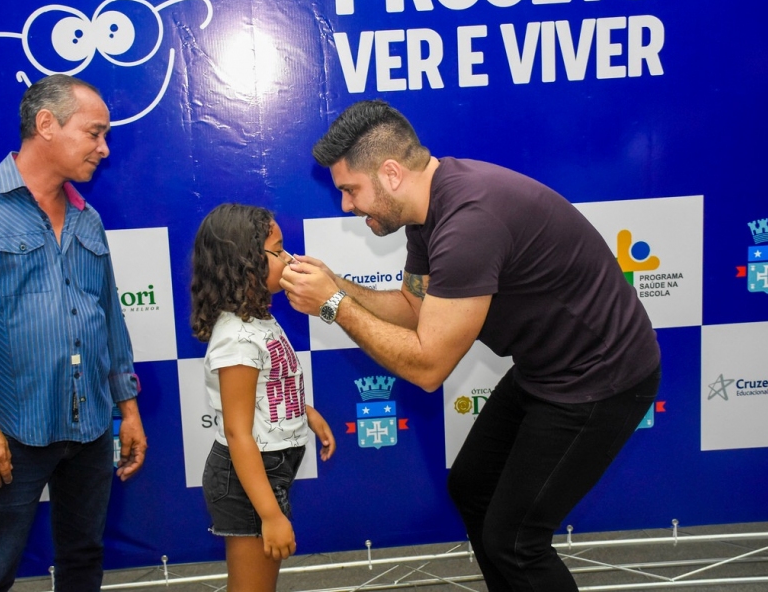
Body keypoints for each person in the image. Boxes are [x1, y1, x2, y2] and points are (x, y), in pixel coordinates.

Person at [280, 100, 661, 592]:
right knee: (472, 488)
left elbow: (427, 366)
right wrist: (339, 284)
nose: (347, 206)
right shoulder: (427, 209)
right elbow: (414, 307)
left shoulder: (468, 221)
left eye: (351, 190)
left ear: (391, 173)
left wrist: (333, 305)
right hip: (548, 368)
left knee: (516, 540)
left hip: (602, 379)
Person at [0, 74, 147, 591]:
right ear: (46, 124)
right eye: (94, 133)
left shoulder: (87, 220)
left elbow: (108, 317)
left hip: (91, 424)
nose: (104, 149)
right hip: (11, 430)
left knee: (83, 558)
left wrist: (128, 409)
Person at [191, 203, 336, 592]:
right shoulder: (236, 339)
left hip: (265, 472)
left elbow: (266, 389)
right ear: (246, 262)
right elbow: (239, 434)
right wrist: (270, 515)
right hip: (248, 480)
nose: (288, 258)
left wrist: (303, 412)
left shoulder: (257, 319)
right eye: (278, 250)